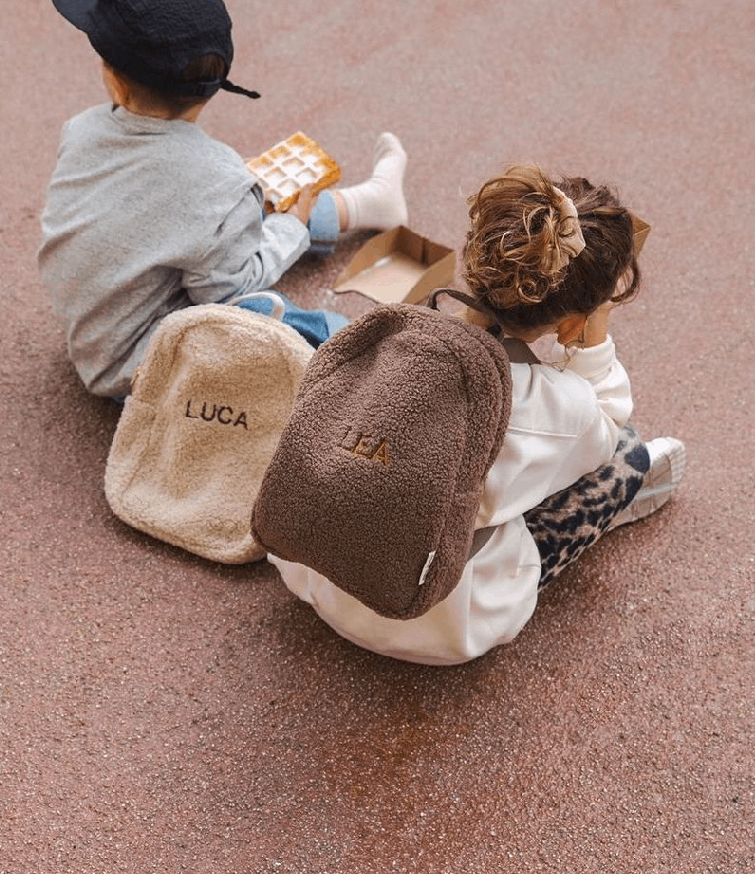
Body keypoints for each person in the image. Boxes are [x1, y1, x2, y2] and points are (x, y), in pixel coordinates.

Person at [268, 164, 686, 665]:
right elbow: (606, 420)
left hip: (312, 573)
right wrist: (590, 338)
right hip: (432, 624)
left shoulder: (383, 337)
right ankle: (607, 509)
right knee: (625, 452)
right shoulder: (554, 405)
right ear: (572, 321)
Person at [39, 0, 408, 398]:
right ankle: (383, 380)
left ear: (114, 80)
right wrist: (289, 228)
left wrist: (237, 196)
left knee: (239, 209)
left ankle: (371, 204)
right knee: (294, 321)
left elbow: (160, 202)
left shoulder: (81, 130)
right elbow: (229, 289)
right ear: (213, 87)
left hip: (95, 331)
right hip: (144, 372)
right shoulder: (221, 181)